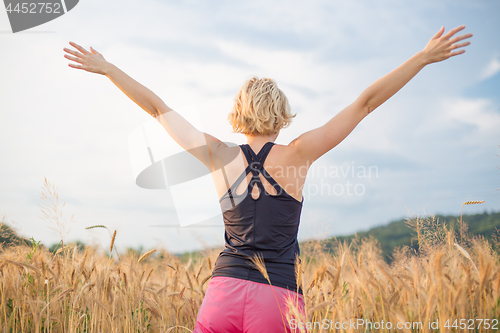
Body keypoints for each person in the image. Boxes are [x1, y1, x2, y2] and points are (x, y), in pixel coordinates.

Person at [63, 25, 472, 332]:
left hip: (221, 293)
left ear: (238, 113)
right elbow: (364, 104)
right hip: (277, 298)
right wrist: (421, 57)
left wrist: (109, 68)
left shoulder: (217, 154)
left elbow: (157, 108)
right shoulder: (300, 153)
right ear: (282, 114)